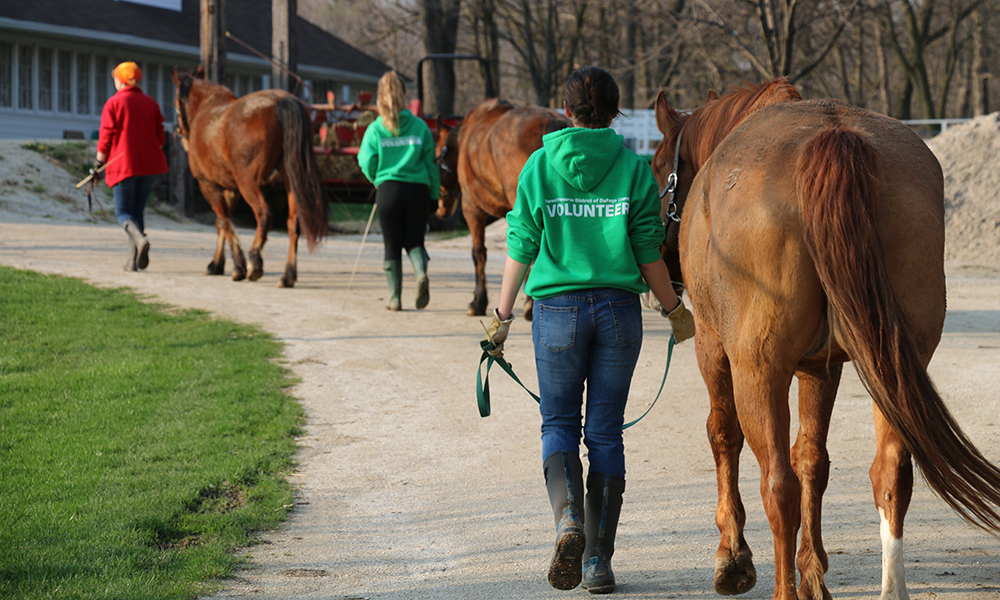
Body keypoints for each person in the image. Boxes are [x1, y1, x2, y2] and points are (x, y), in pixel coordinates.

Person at [483, 66, 695, 594]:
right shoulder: (631, 168)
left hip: (555, 312)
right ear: (616, 111)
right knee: (604, 432)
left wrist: (502, 317)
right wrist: (674, 310)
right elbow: (649, 251)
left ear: (567, 107)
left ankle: (567, 522)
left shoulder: (538, 165)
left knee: (557, 423)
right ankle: (598, 563)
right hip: (619, 313)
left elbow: (521, 245)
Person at [358, 71, 440, 311]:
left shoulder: (376, 129)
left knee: (391, 245)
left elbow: (366, 161)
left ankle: (395, 299)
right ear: (405, 96)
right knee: (415, 242)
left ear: (380, 98)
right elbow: (431, 165)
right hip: (418, 191)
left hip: (389, 191)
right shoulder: (420, 127)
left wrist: (378, 179)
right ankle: (421, 274)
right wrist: (434, 195)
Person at [94, 61, 169, 272]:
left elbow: (106, 136)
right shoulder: (151, 103)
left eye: (115, 78)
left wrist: (98, 164)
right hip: (151, 166)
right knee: (137, 213)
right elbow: (160, 138)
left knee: (123, 213)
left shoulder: (114, 103)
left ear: (121, 80)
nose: (115, 82)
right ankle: (132, 262)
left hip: (123, 165)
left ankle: (140, 240)